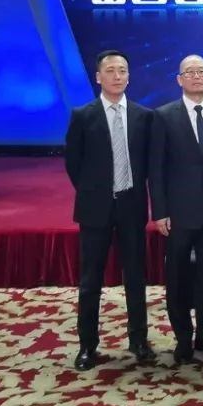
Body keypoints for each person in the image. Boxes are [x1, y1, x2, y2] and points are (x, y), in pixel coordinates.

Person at [64, 49, 155, 371]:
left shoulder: (144, 116)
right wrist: (96, 191)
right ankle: (87, 345)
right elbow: (73, 163)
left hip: (132, 206)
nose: (117, 76)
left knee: (136, 277)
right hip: (95, 208)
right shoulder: (83, 115)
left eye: (123, 70)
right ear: (98, 77)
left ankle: (139, 340)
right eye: (111, 70)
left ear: (129, 76)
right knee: (91, 280)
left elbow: (149, 163)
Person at [149, 54, 203, 366]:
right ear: (179, 79)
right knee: (178, 278)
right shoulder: (163, 116)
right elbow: (156, 168)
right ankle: (183, 340)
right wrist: (160, 210)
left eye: (201, 71)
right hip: (178, 213)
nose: (196, 76)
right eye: (190, 72)